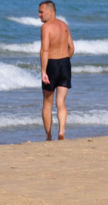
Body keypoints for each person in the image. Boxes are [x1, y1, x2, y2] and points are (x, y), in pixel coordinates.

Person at [39, 1, 75, 141]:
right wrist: (64, 61)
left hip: (51, 65)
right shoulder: (64, 25)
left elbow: (45, 50)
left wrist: (43, 71)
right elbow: (71, 48)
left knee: (47, 102)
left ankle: (48, 136)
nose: (39, 15)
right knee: (61, 102)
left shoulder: (46, 27)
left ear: (50, 11)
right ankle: (61, 132)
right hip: (65, 63)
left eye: (41, 12)